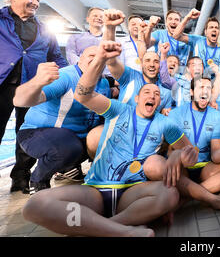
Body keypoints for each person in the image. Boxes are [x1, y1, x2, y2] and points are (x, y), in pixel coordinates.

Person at [21, 40, 197, 237]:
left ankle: (104, 227)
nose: (153, 95)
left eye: (156, 94)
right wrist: (101, 59)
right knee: (35, 205)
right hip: (96, 191)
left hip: (133, 193)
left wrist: (179, 156)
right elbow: (83, 95)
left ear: (160, 101)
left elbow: (191, 151)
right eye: (147, 91)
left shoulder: (165, 124)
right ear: (136, 98)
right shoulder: (118, 110)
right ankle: (122, 231)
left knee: (169, 194)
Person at [12, 46, 110, 193]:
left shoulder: (104, 84)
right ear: (80, 58)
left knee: (107, 134)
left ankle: (70, 169)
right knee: (68, 148)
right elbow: (23, 100)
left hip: (72, 137)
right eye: (91, 55)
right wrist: (37, 82)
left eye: (101, 57)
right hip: (36, 134)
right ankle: (38, 180)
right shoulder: (64, 76)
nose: (96, 59)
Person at [0, 0, 68, 193]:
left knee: (28, 133)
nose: (35, 3)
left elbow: (56, 57)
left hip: (32, 88)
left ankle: (21, 177)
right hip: (3, 85)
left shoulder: (44, 29)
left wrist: (70, 78)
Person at [167, 76, 220, 216]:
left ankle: (188, 197)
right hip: (183, 169)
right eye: (201, 87)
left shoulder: (216, 116)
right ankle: (216, 197)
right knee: (169, 169)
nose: (205, 91)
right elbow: (170, 152)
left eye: (208, 88)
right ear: (192, 92)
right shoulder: (176, 114)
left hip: (206, 169)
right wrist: (177, 157)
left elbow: (216, 156)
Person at [172, 10, 220, 79]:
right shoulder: (198, 40)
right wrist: (187, 18)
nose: (214, 30)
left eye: (216, 28)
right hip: (194, 81)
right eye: (211, 27)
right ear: (205, 32)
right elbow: (176, 35)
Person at [147, 9, 194, 75]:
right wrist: (150, 27)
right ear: (166, 22)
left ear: (181, 23)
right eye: (170, 19)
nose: (173, 22)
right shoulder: (159, 34)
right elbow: (146, 45)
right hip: (160, 74)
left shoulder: (187, 39)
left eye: (176, 19)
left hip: (179, 77)